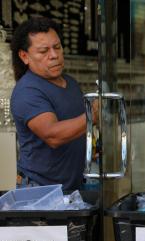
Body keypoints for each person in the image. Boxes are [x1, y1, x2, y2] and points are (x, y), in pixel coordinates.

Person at [10, 17, 87, 190]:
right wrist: (92, 116)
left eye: (57, 47)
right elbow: (53, 135)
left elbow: (78, 129)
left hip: (72, 187)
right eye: (44, 51)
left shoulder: (71, 83)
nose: (54, 55)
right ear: (24, 56)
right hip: (40, 191)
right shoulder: (27, 91)